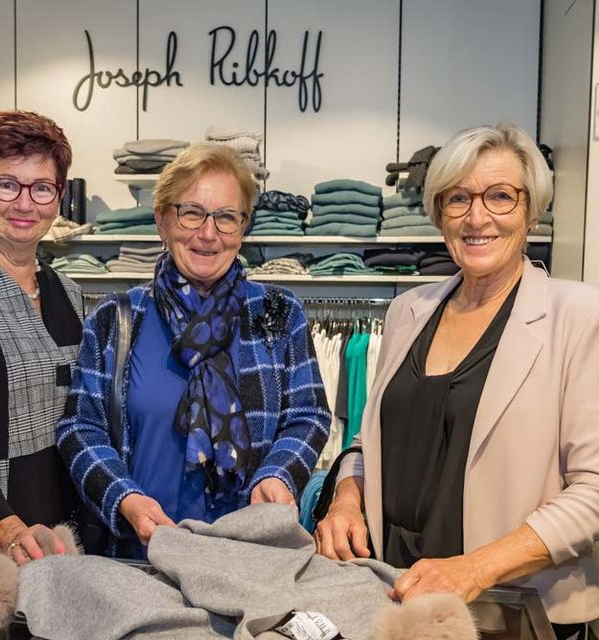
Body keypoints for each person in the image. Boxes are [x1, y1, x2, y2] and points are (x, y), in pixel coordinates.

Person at [315, 122, 599, 632]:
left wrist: (476, 568)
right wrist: (345, 500)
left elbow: (593, 491)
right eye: (458, 198)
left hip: (511, 608)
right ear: (439, 212)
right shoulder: (408, 311)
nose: (477, 217)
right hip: (395, 594)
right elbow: (366, 442)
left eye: (500, 196)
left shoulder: (578, 316)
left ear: (532, 212)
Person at [57, 143, 331, 558]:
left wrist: (278, 474)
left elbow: (308, 414)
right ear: (162, 221)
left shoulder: (278, 312)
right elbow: (81, 427)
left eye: (226, 217)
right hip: (141, 555)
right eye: (191, 213)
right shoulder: (115, 318)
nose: (208, 233)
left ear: (244, 227)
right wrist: (124, 498)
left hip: (250, 555)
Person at [0, 110, 83, 565]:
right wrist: (5, 523)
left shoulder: (68, 293)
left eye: (42, 188)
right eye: (7, 185)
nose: (25, 204)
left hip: (62, 533)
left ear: (59, 196)